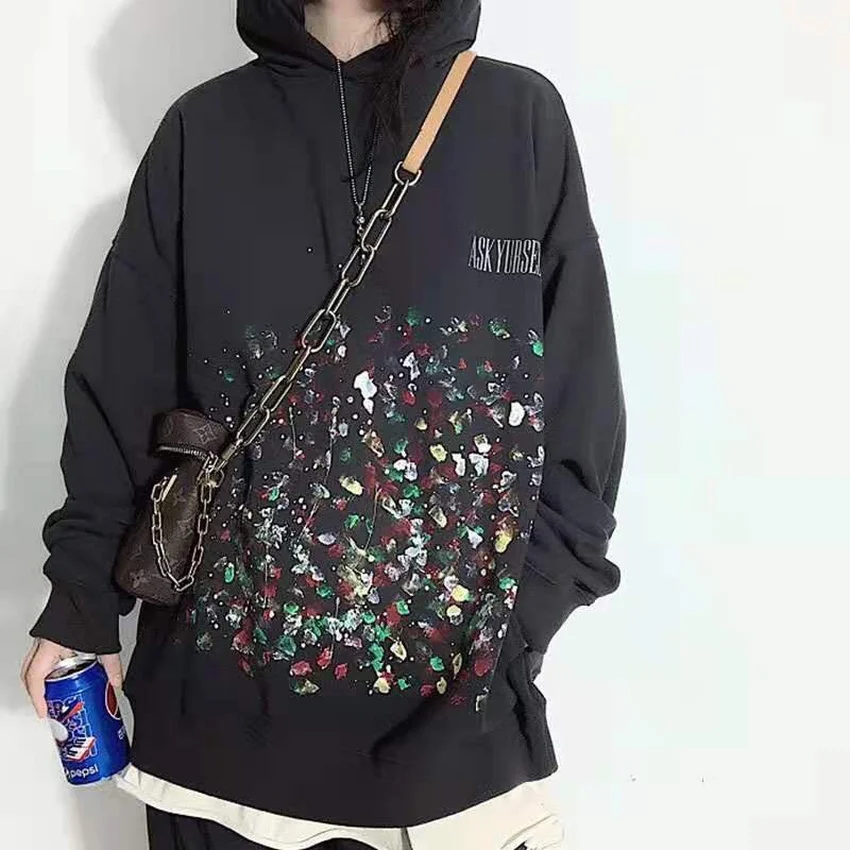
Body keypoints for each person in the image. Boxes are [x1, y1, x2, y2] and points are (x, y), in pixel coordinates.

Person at [21, 1, 626, 848]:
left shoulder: (517, 120)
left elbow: (581, 413)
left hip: (459, 765)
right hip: (216, 750)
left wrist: (511, 634)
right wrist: (81, 600)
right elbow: (122, 388)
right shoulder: (204, 130)